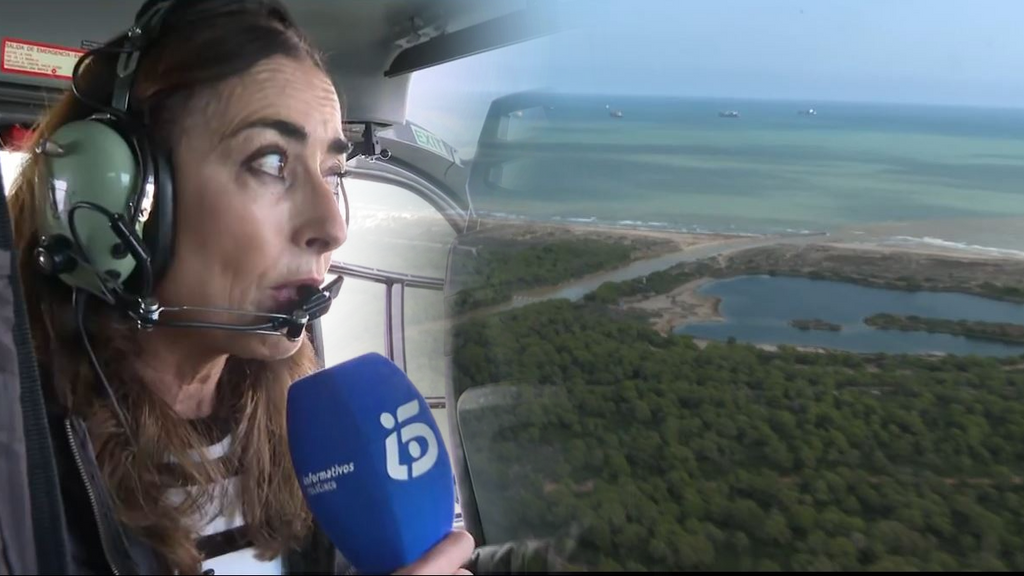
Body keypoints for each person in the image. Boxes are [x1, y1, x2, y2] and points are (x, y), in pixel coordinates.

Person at [6, 0, 479, 574]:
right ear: (123, 201)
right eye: (272, 162)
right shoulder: (21, 473)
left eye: (332, 174)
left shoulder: (310, 432)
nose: (332, 227)